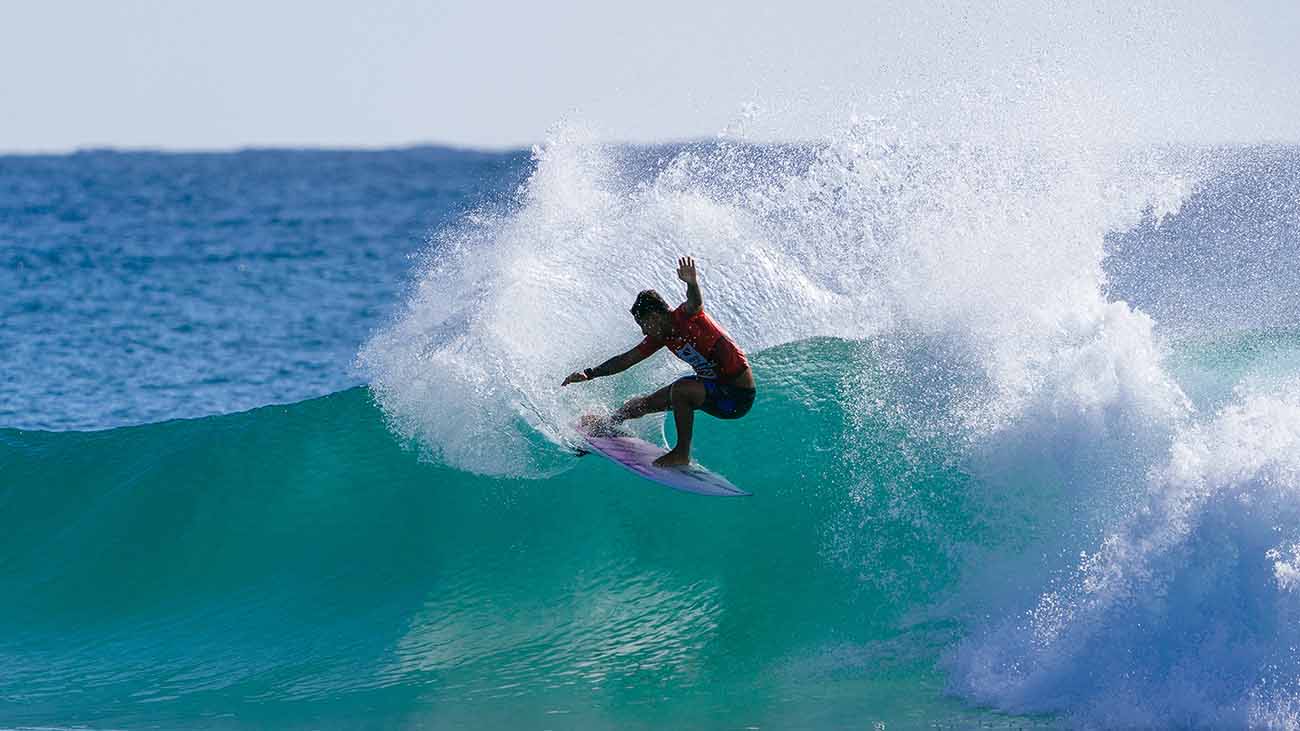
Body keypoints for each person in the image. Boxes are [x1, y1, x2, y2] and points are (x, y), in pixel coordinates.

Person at [562, 256, 757, 467]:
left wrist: (692, 283)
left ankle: (682, 453)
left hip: (736, 397)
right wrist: (590, 373)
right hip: (710, 387)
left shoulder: (685, 317)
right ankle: (606, 427)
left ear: (655, 316)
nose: (643, 330)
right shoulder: (661, 337)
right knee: (638, 405)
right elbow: (627, 359)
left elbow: (695, 302)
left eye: (643, 324)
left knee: (681, 389)